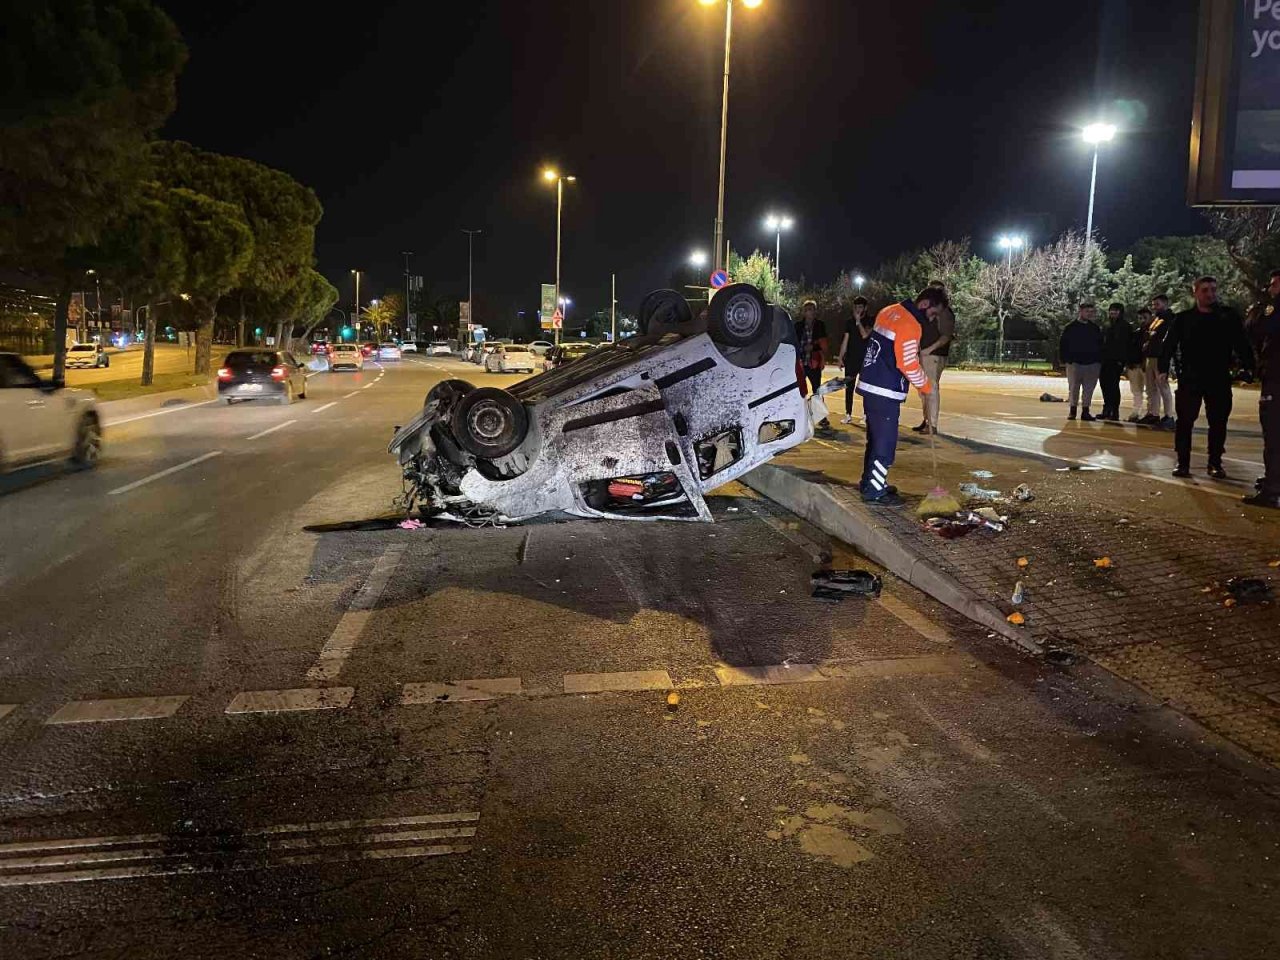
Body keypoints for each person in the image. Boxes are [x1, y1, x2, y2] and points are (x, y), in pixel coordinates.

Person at [856, 287, 945, 505]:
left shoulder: (889, 310)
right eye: (933, 314)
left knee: (875, 439)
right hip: (885, 389)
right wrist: (925, 385)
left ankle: (870, 482)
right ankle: (875, 491)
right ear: (925, 304)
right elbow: (906, 362)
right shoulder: (910, 323)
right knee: (885, 443)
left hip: (871, 383)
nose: (932, 320)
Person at [1165, 276, 1254, 479]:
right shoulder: (1184, 318)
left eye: (1213, 289)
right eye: (1205, 290)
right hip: (1190, 378)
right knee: (1185, 422)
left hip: (1219, 377)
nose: (1210, 294)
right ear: (1195, 292)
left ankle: (1215, 462)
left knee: (1218, 422)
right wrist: (1164, 368)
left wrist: (1249, 367)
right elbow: (1169, 345)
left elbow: (1242, 343)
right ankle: (1183, 463)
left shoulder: (1228, 317)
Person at [1243, 268, 1280, 508]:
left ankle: (1272, 490)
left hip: (1276, 379)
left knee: (1274, 437)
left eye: (1274, 284)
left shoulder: (1274, 310)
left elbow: (1256, 329)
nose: (1270, 288)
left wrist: (1256, 314)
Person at [911, 279, 955, 435]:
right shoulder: (925, 311)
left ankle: (932, 424)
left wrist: (929, 350)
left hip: (934, 355)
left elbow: (946, 336)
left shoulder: (944, 312)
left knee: (931, 388)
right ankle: (927, 420)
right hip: (923, 352)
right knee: (923, 389)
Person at [1059, 303, 1103, 421]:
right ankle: (1072, 410)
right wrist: (1066, 360)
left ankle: (1085, 411)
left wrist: (1098, 361)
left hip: (1092, 363)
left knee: (1089, 389)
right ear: (1080, 311)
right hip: (1075, 363)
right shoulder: (1070, 327)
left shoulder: (1095, 328)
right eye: (1087, 311)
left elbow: (1100, 345)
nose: (1089, 314)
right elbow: (1063, 344)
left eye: (1091, 311)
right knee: (1074, 387)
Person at [836, 297, 873, 424]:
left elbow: (865, 335)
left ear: (865, 308)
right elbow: (845, 340)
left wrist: (858, 322)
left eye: (860, 307)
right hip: (851, 359)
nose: (858, 310)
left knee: (865, 388)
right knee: (849, 387)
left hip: (865, 359)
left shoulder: (870, 320)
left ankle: (865, 415)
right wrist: (841, 357)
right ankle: (848, 414)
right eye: (856, 307)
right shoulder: (849, 322)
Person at [794, 299, 830, 429]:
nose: (809, 312)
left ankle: (821, 417)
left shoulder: (819, 325)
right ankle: (798, 416)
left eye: (812, 309)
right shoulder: (798, 326)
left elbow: (823, 344)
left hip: (813, 362)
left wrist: (814, 348)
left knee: (817, 390)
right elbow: (794, 342)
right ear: (804, 312)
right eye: (807, 310)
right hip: (801, 362)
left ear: (815, 312)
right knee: (799, 390)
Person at [1141, 293, 1175, 428]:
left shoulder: (1170, 319)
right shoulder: (1157, 319)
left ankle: (1169, 416)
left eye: (1157, 304)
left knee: (1163, 387)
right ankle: (1153, 414)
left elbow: (1166, 340)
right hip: (1151, 356)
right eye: (1153, 304)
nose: (1154, 307)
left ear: (1165, 304)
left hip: (1161, 357)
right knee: (1150, 388)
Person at [1099, 302, 1129, 422]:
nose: (1113, 313)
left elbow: (1125, 345)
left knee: (1113, 386)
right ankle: (1106, 409)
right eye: (1111, 310)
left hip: (1116, 360)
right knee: (1104, 385)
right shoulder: (1106, 325)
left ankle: (1114, 411)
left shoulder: (1125, 326)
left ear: (1120, 312)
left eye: (1116, 310)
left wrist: (1122, 361)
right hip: (1105, 360)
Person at [1125, 307, 1150, 422]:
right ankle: (1135, 413)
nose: (1142, 320)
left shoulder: (1153, 333)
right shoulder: (1135, 334)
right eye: (1140, 318)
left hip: (1146, 366)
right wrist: (1129, 364)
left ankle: (1151, 413)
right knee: (1136, 391)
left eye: (1145, 317)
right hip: (1134, 366)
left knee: (1150, 392)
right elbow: (1130, 349)